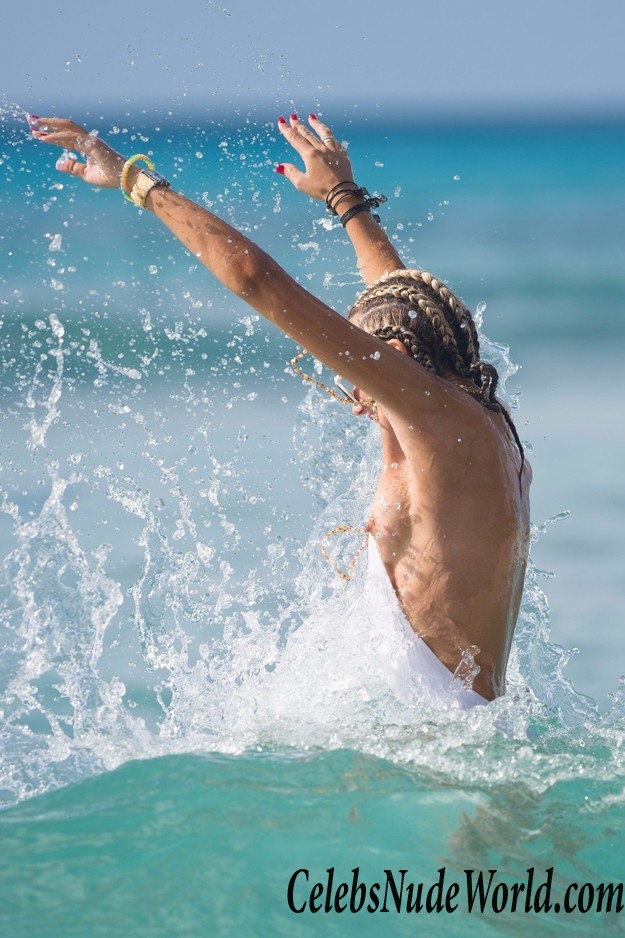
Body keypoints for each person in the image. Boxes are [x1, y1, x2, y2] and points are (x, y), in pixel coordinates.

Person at [29, 112, 531, 705]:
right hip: (449, 736)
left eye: (355, 379)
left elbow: (254, 279)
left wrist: (137, 182)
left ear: (392, 357)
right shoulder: (477, 418)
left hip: (439, 750)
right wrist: (344, 201)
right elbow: (400, 299)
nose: (354, 402)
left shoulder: (437, 422)